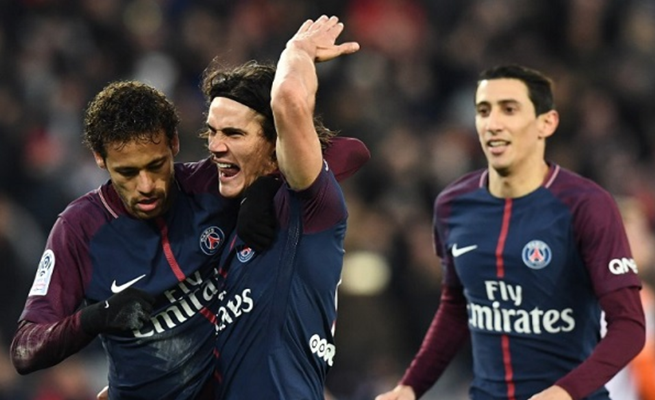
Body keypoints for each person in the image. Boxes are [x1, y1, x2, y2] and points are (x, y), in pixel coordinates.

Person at [375, 65, 645, 400]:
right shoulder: (452, 204)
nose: (493, 123)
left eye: (509, 109)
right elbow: (457, 307)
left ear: (546, 123)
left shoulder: (586, 205)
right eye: (483, 111)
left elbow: (629, 326)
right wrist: (411, 385)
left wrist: (565, 392)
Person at [9, 80, 278, 400]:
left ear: (174, 143)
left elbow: (322, 155)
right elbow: (25, 349)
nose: (147, 186)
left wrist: (263, 187)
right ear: (100, 158)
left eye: (156, 165)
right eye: (127, 173)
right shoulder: (79, 230)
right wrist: (96, 318)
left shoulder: (213, 185)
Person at [203, 15, 361, 399]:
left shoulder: (307, 210)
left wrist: (298, 50)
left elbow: (290, 99)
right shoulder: (232, 231)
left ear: (276, 143)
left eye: (234, 133)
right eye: (212, 131)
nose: (215, 146)